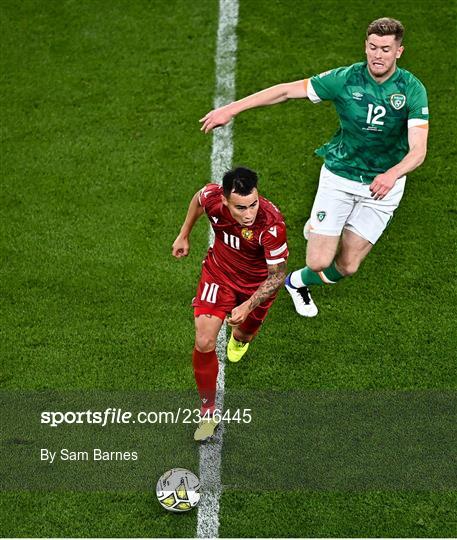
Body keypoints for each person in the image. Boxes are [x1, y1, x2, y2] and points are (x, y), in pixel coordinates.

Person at [200, 17, 429, 317]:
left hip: (384, 185)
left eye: (386, 49)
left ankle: (296, 282)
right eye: (373, 47)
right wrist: (230, 109)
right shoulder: (345, 79)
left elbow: (419, 150)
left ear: (399, 51)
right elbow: (285, 91)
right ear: (365, 46)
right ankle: (323, 227)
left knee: (347, 266)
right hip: (340, 177)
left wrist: (392, 173)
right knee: (320, 261)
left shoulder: (412, 90)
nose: (378, 55)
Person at [172, 167, 288, 441]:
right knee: (203, 341)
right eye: (241, 207)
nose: (249, 214)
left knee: (243, 333)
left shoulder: (271, 225)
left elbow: (278, 275)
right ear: (224, 200)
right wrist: (184, 233)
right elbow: (199, 199)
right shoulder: (213, 197)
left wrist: (248, 305)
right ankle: (208, 412)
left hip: (256, 287)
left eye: (253, 205)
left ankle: (240, 340)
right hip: (219, 274)